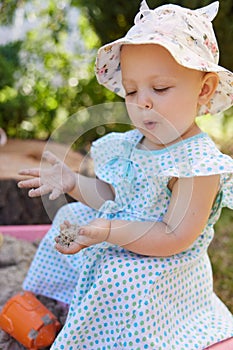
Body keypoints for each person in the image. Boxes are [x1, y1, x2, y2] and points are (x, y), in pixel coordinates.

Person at [13, 1, 233, 348]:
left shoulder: (197, 164)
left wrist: (110, 231)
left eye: (159, 88)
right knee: (71, 216)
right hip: (119, 232)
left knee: (121, 275)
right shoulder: (131, 145)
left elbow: (173, 236)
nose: (142, 102)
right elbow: (112, 197)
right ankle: (70, 303)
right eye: (131, 90)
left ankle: (120, 335)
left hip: (164, 265)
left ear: (203, 89)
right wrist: (73, 183)